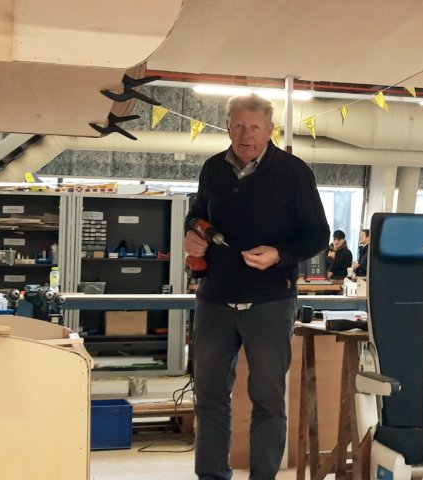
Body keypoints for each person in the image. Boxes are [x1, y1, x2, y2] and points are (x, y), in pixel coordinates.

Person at [184, 93, 330, 480]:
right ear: (227, 127)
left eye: (254, 127)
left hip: (270, 301)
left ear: (269, 130)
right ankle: (211, 476)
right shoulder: (213, 169)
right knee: (209, 397)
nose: (245, 135)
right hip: (215, 300)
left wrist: (280, 254)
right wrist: (191, 235)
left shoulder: (293, 172)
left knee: (268, 400)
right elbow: (196, 214)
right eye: (238, 126)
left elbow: (318, 234)